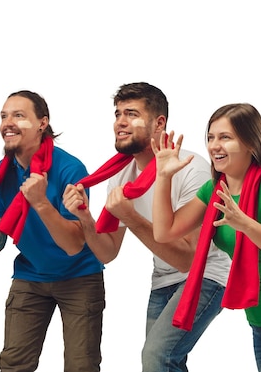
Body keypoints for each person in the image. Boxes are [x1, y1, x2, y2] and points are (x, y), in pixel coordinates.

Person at [151, 103, 261, 372]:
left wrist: (246, 224)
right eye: (211, 138)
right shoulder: (214, 190)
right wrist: (163, 176)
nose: (215, 146)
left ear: (251, 143)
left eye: (225, 137)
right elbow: (164, 232)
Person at [62, 82, 231, 372]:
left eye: (131, 114)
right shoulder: (120, 177)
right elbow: (107, 252)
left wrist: (130, 217)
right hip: (163, 279)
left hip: (206, 274)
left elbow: (187, 258)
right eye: (117, 114)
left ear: (159, 123)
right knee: (159, 363)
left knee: (157, 357)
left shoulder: (191, 167)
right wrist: (85, 218)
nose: (120, 122)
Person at [0, 90, 105, 372]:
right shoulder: (0, 174)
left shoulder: (70, 169)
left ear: (42, 123)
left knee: (81, 366)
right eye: (3, 116)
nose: (7, 122)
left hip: (79, 276)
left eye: (19, 115)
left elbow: (74, 244)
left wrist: (39, 202)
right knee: (14, 365)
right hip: (30, 275)